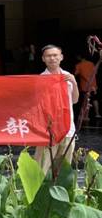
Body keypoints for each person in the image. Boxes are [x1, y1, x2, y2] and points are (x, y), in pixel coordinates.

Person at [34, 45, 79, 173]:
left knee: (63, 168)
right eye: (48, 56)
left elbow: (75, 100)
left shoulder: (68, 76)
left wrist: (74, 82)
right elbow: (38, 104)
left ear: (61, 57)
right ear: (43, 59)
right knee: (42, 166)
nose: (52, 58)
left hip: (67, 128)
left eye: (55, 55)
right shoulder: (41, 78)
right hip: (48, 130)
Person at [74, 54, 101, 120]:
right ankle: (97, 114)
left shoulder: (78, 65)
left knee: (86, 101)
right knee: (94, 99)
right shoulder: (91, 63)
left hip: (85, 86)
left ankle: (86, 116)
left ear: (79, 57)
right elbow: (95, 72)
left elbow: (75, 74)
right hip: (93, 85)